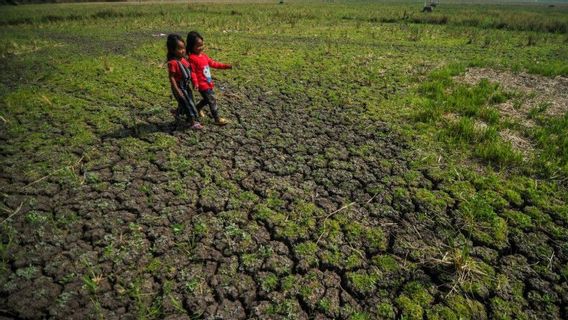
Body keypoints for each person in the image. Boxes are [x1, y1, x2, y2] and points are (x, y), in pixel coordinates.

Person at [186, 31, 232, 126]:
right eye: (198, 46)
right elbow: (193, 72)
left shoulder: (204, 56)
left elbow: (214, 64)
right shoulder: (192, 58)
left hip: (208, 83)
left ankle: (197, 108)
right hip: (202, 85)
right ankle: (217, 118)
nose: (200, 48)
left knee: (207, 100)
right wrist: (195, 83)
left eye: (201, 45)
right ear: (191, 46)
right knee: (212, 100)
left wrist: (225, 66)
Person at [166, 34, 203, 130]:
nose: (183, 51)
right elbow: (172, 78)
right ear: (172, 50)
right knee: (187, 104)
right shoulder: (173, 63)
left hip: (186, 86)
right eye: (179, 49)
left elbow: (191, 71)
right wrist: (177, 90)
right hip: (179, 87)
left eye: (183, 48)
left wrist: (195, 82)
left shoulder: (184, 59)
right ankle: (192, 122)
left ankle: (177, 112)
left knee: (189, 101)